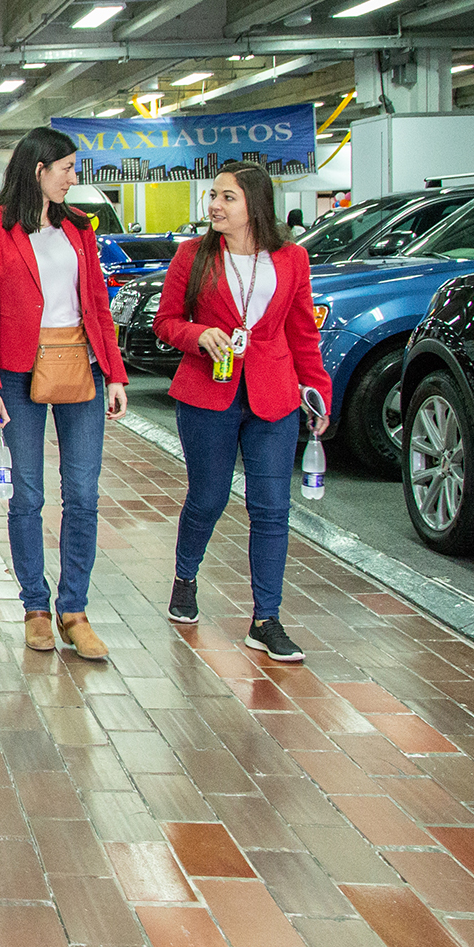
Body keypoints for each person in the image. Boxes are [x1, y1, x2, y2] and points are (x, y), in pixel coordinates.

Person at [153, 163, 332, 663]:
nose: (215, 205)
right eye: (213, 196)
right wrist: (198, 334)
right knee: (208, 497)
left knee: (272, 507)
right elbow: (166, 321)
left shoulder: (292, 258)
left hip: (273, 395)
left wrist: (317, 388)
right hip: (207, 394)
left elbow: (302, 331)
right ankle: (185, 577)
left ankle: (265, 620)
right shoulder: (193, 255)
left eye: (227, 197)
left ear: (255, 204)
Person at [0, 127, 130, 659]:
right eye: (66, 168)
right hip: (19, 373)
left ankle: (74, 610)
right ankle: (36, 607)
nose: (72, 178)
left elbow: (97, 303)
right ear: (38, 169)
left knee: (83, 492)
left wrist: (115, 373)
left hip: (81, 365)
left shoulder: (79, 226)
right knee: (27, 495)